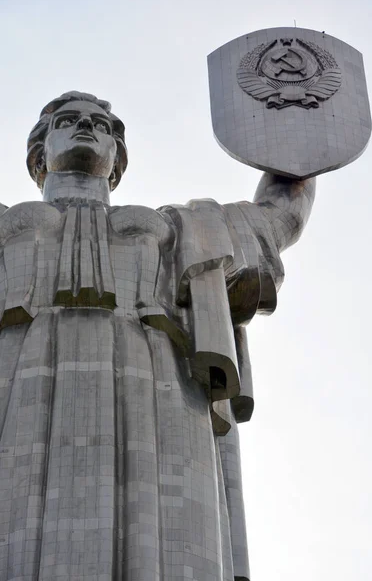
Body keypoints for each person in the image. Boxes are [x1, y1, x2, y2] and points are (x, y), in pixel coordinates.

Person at [0, 91, 315, 581]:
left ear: (117, 159)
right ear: (39, 154)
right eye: (69, 120)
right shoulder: (7, 225)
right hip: (19, 385)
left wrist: (305, 134)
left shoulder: (173, 228)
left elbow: (277, 220)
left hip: (157, 392)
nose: (87, 126)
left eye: (101, 124)